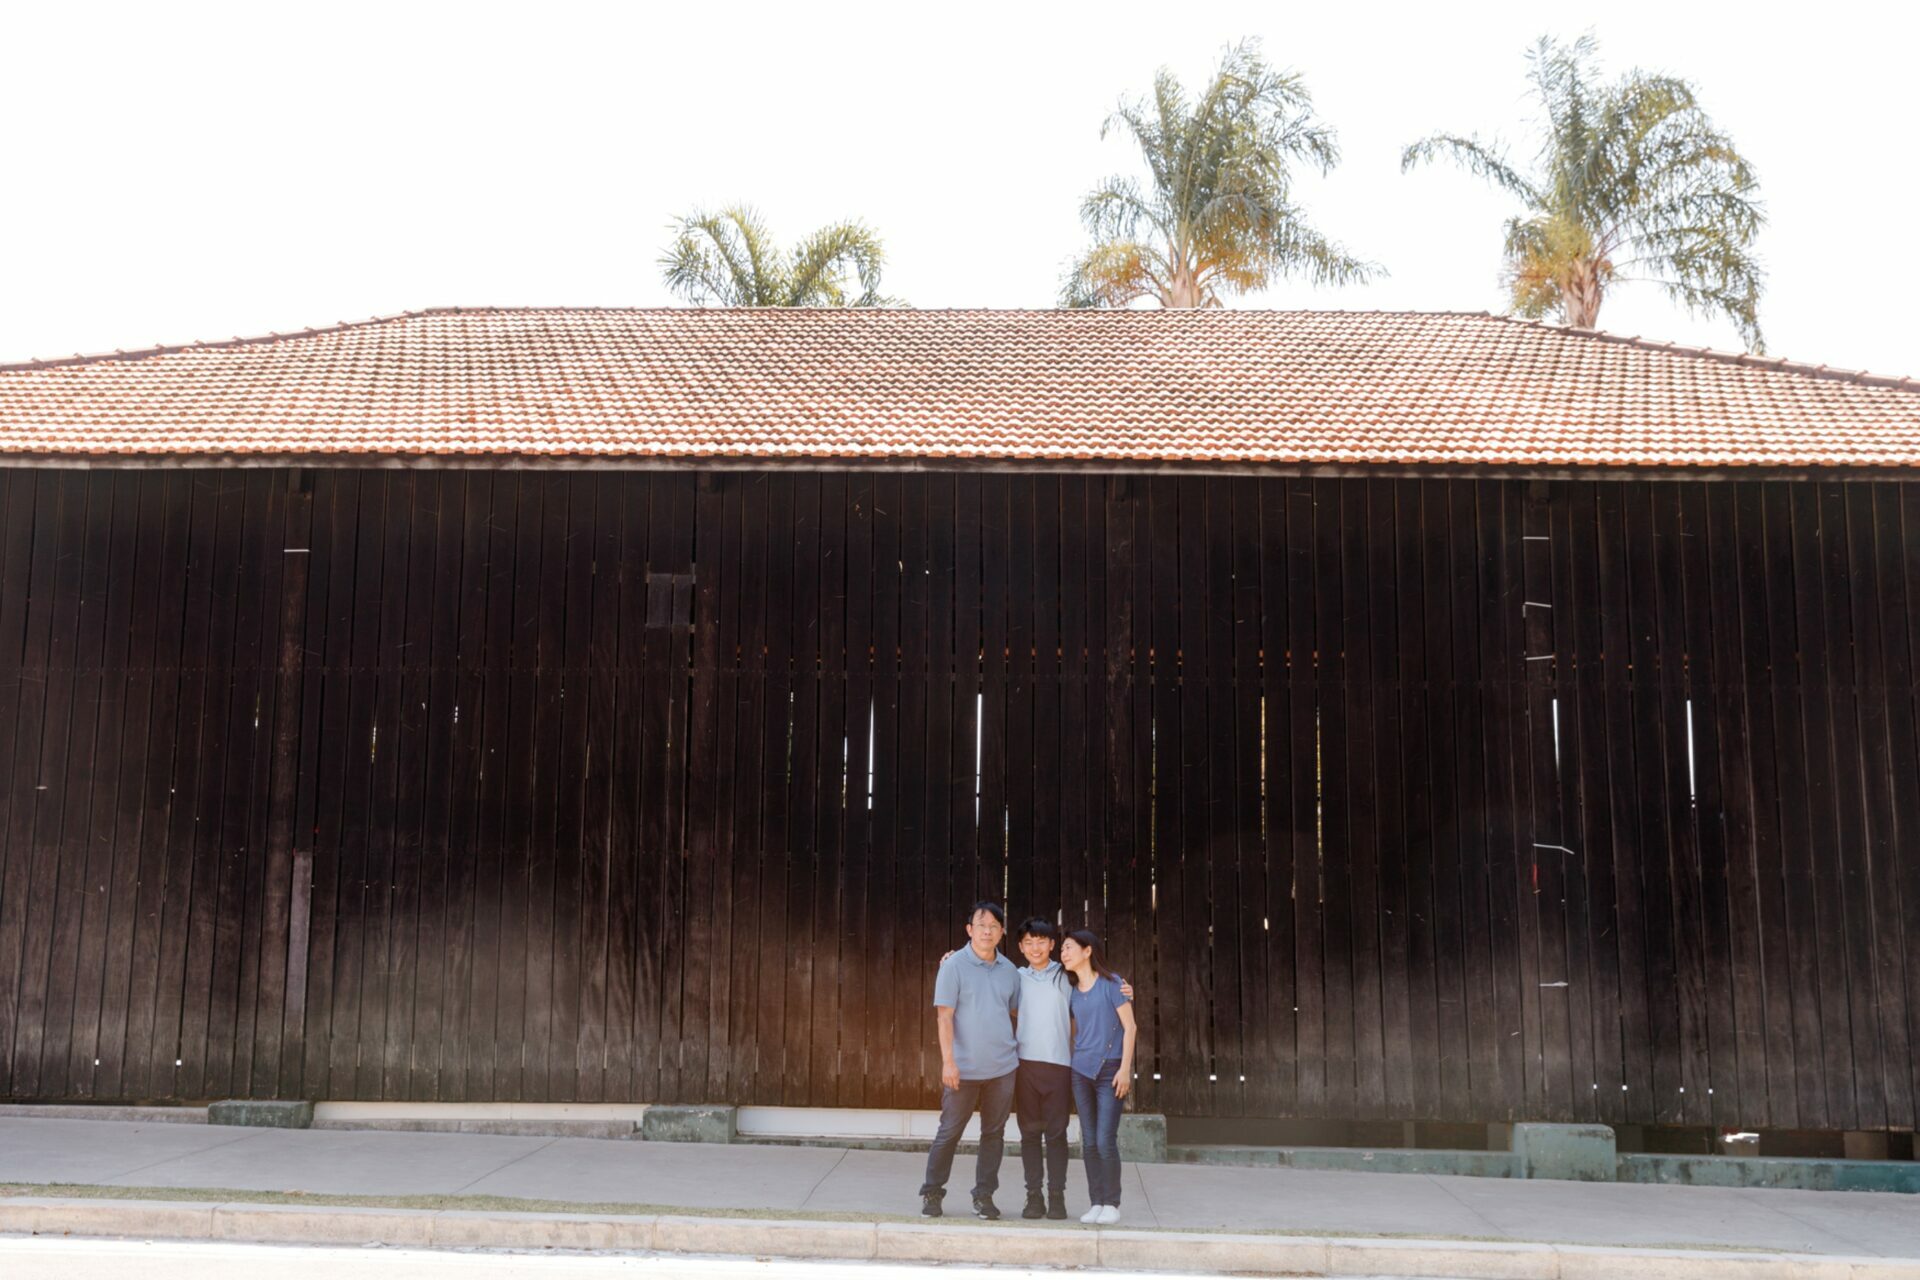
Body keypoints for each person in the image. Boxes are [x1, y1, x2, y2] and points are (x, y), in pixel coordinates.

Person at [919, 900, 1021, 1220]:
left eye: (994, 926)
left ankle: (984, 1196)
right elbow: (944, 1017)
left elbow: (1016, 1011)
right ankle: (932, 1192)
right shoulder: (953, 966)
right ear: (969, 930)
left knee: (994, 1134)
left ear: (1001, 932)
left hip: (1002, 1068)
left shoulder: (1010, 971)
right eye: (981, 925)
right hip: (962, 1069)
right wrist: (949, 1061)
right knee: (950, 1131)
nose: (987, 931)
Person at [1060, 928, 1138, 1225]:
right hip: (1080, 1072)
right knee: (1089, 1142)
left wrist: (1125, 1069)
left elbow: (1130, 1028)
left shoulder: (1112, 984)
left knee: (1105, 1139)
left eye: (1068, 947)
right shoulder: (1070, 991)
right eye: (1062, 949)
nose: (1063, 953)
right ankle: (1096, 1202)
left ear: (1087, 950)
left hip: (1110, 1070)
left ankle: (1112, 1203)